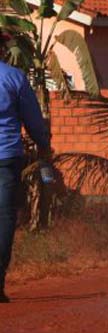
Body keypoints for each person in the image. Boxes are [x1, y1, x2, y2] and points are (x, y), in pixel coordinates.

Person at [0, 61, 51, 302]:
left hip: (8, 157)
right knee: (5, 216)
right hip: (7, 157)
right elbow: (32, 118)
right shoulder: (13, 77)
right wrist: (43, 144)